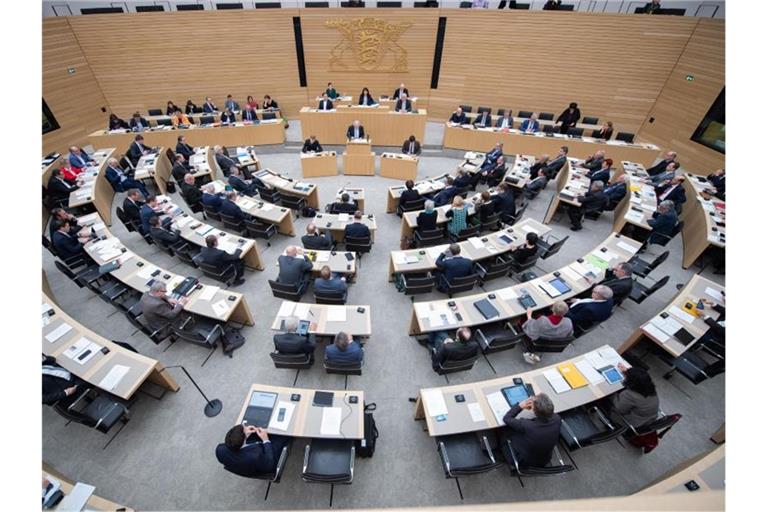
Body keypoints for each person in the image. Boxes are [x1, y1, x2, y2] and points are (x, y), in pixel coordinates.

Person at [500, 393, 561, 468]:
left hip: (524, 462)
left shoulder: (527, 425)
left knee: (504, 431)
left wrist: (520, 406)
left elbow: (506, 418)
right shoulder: (557, 418)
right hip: (544, 460)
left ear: (534, 411)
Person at [215, 423, 288, 477]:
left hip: (246, 461)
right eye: (245, 428)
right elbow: (270, 465)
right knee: (282, 434)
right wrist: (265, 440)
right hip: (267, 458)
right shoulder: (255, 456)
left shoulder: (219, 449)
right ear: (244, 440)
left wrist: (245, 433)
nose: (246, 427)